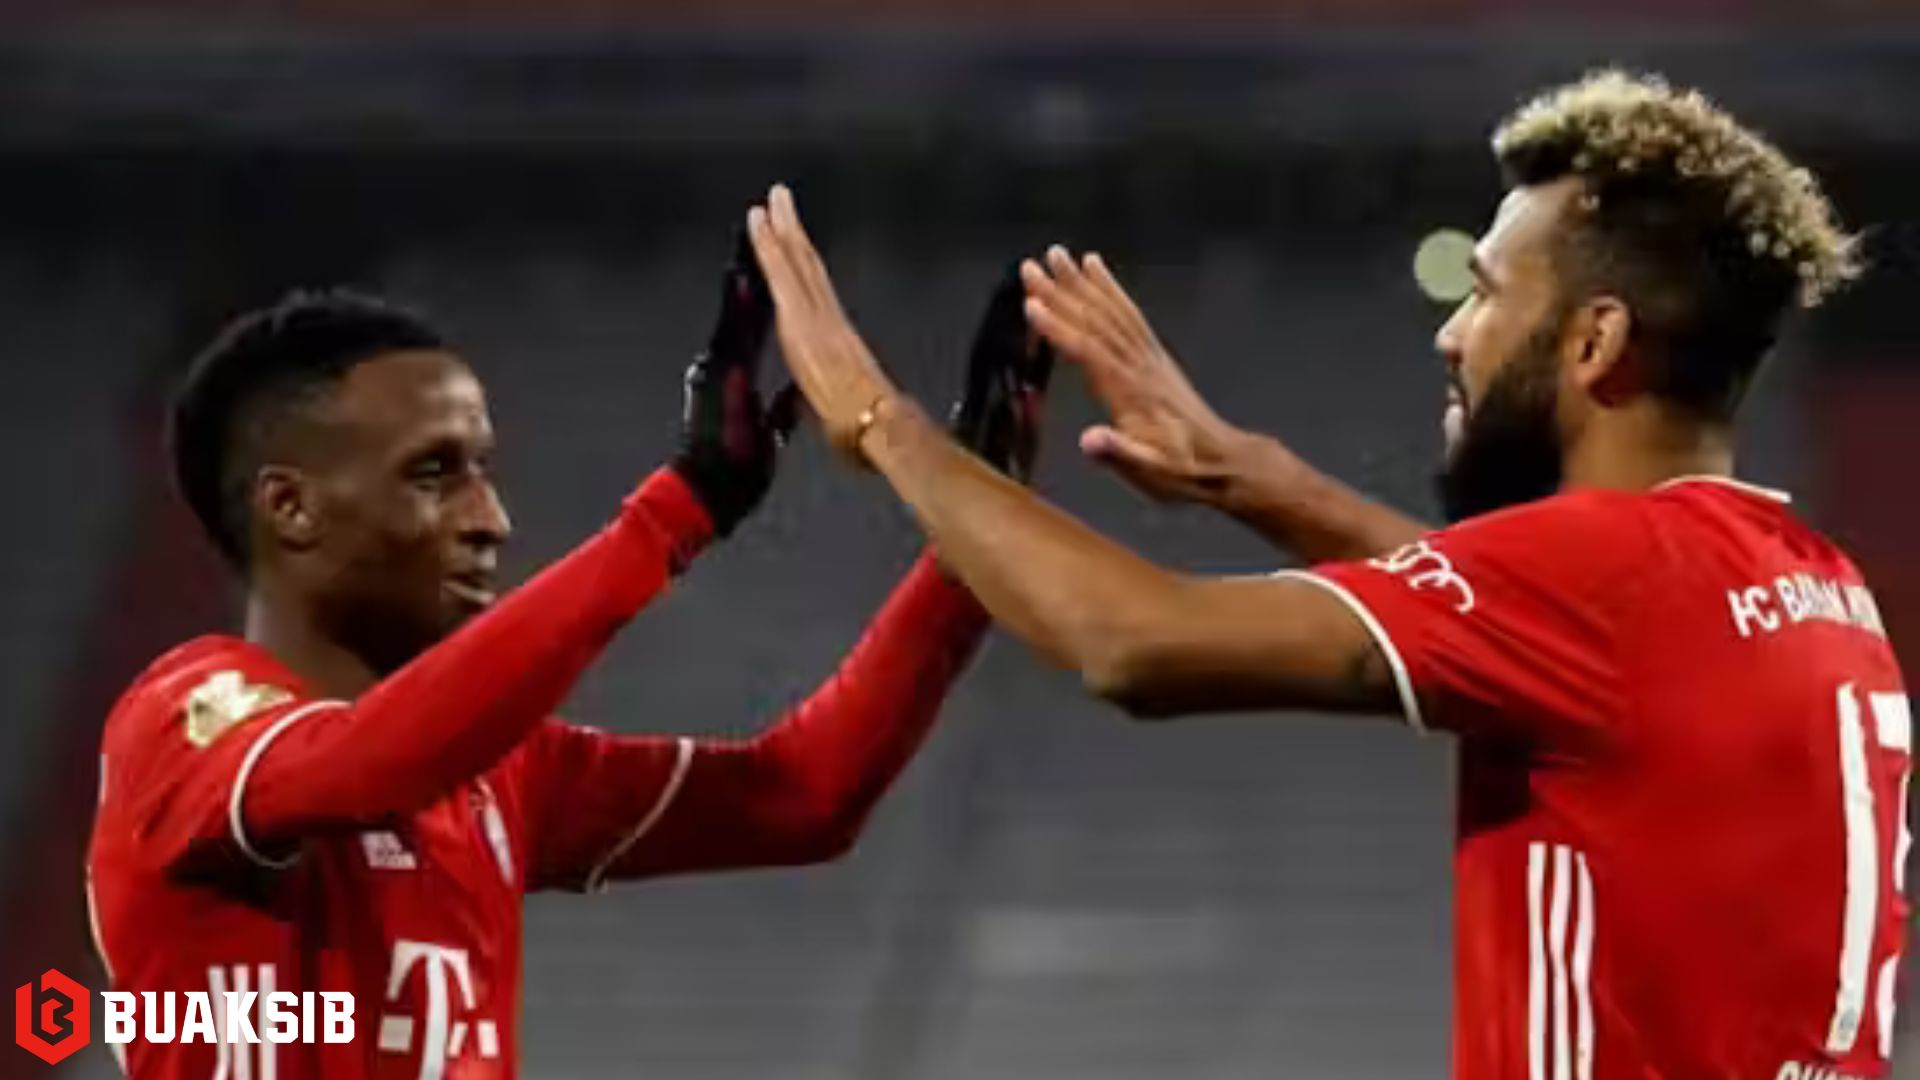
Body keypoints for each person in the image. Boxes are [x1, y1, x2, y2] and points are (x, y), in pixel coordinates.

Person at [745, 70, 1910, 1078]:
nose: (1451, 332)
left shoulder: (1602, 574)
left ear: (1594, 342)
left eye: (1485, 291)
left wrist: (881, 424)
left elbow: (1133, 644)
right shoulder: (1806, 582)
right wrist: (1253, 479)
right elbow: (1529, 624)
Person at [85, 241, 1051, 1078]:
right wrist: (674, 516)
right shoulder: (182, 723)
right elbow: (366, 768)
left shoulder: (496, 776)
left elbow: (803, 795)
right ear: (290, 508)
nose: (491, 520)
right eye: (435, 474)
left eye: (483, 472)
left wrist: (974, 536)